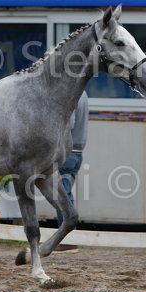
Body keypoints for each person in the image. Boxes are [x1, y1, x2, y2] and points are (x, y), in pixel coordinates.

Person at [54, 91, 89, 253]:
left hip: (68, 152)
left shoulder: (72, 94)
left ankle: (67, 239)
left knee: (62, 195)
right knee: (67, 194)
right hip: (78, 152)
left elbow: (69, 124)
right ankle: (70, 236)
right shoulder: (84, 94)